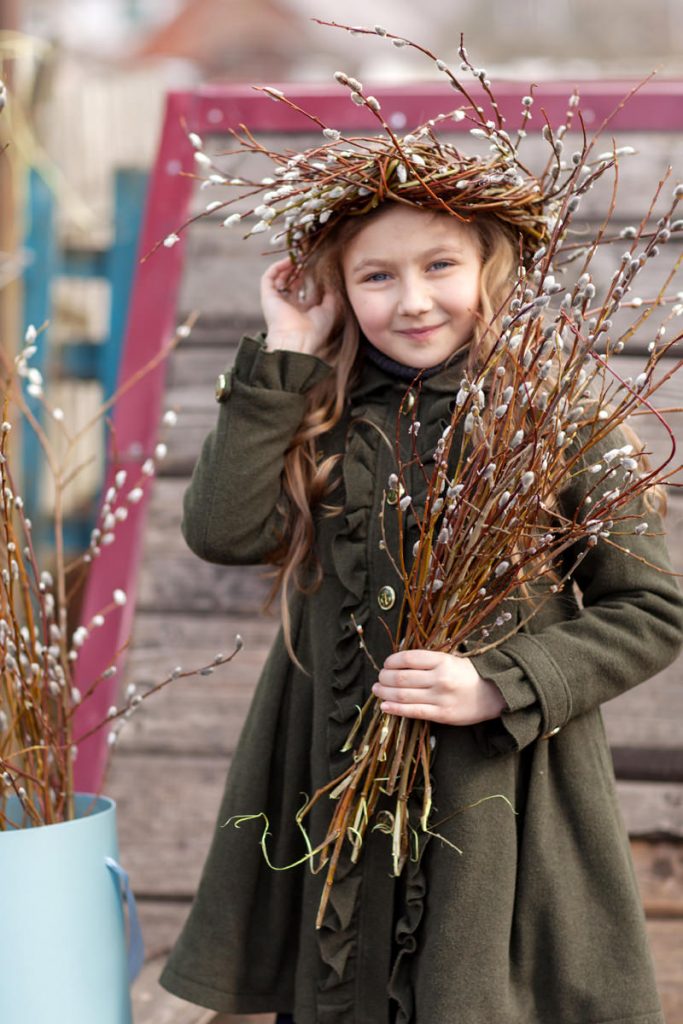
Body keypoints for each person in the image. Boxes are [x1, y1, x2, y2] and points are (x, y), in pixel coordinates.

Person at [158, 80, 683, 1024]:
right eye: (375, 276)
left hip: (500, 785)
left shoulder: (559, 413)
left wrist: (500, 682)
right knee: (345, 971)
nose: (412, 301)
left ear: (490, 267)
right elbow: (223, 531)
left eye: (439, 265)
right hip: (333, 769)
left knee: (472, 985)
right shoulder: (321, 413)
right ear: (336, 287)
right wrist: (287, 354)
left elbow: (650, 612)